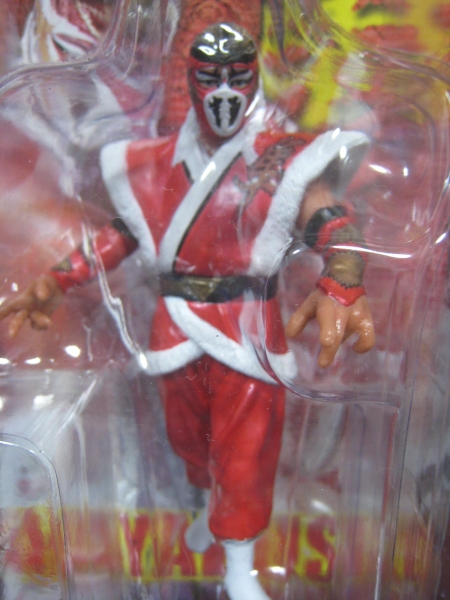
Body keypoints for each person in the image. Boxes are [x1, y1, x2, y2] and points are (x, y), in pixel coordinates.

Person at [0, 22, 375, 600]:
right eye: (211, 78)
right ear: (192, 83)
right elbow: (123, 234)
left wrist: (343, 280)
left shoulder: (284, 157)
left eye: (237, 77)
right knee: (191, 445)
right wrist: (57, 280)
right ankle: (206, 509)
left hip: (247, 330)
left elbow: (331, 221)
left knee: (245, 453)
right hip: (174, 328)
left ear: (254, 81)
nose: (225, 92)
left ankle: (239, 565)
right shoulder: (152, 162)